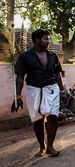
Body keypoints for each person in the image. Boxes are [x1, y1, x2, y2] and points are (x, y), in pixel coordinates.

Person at [12, 29, 67, 157]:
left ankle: (50, 146)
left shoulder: (53, 55)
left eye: (49, 39)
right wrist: (18, 96)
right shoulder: (25, 57)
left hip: (51, 89)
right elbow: (20, 77)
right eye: (46, 39)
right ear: (37, 40)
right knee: (37, 119)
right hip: (34, 90)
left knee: (53, 116)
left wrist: (63, 91)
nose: (49, 41)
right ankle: (42, 147)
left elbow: (58, 74)